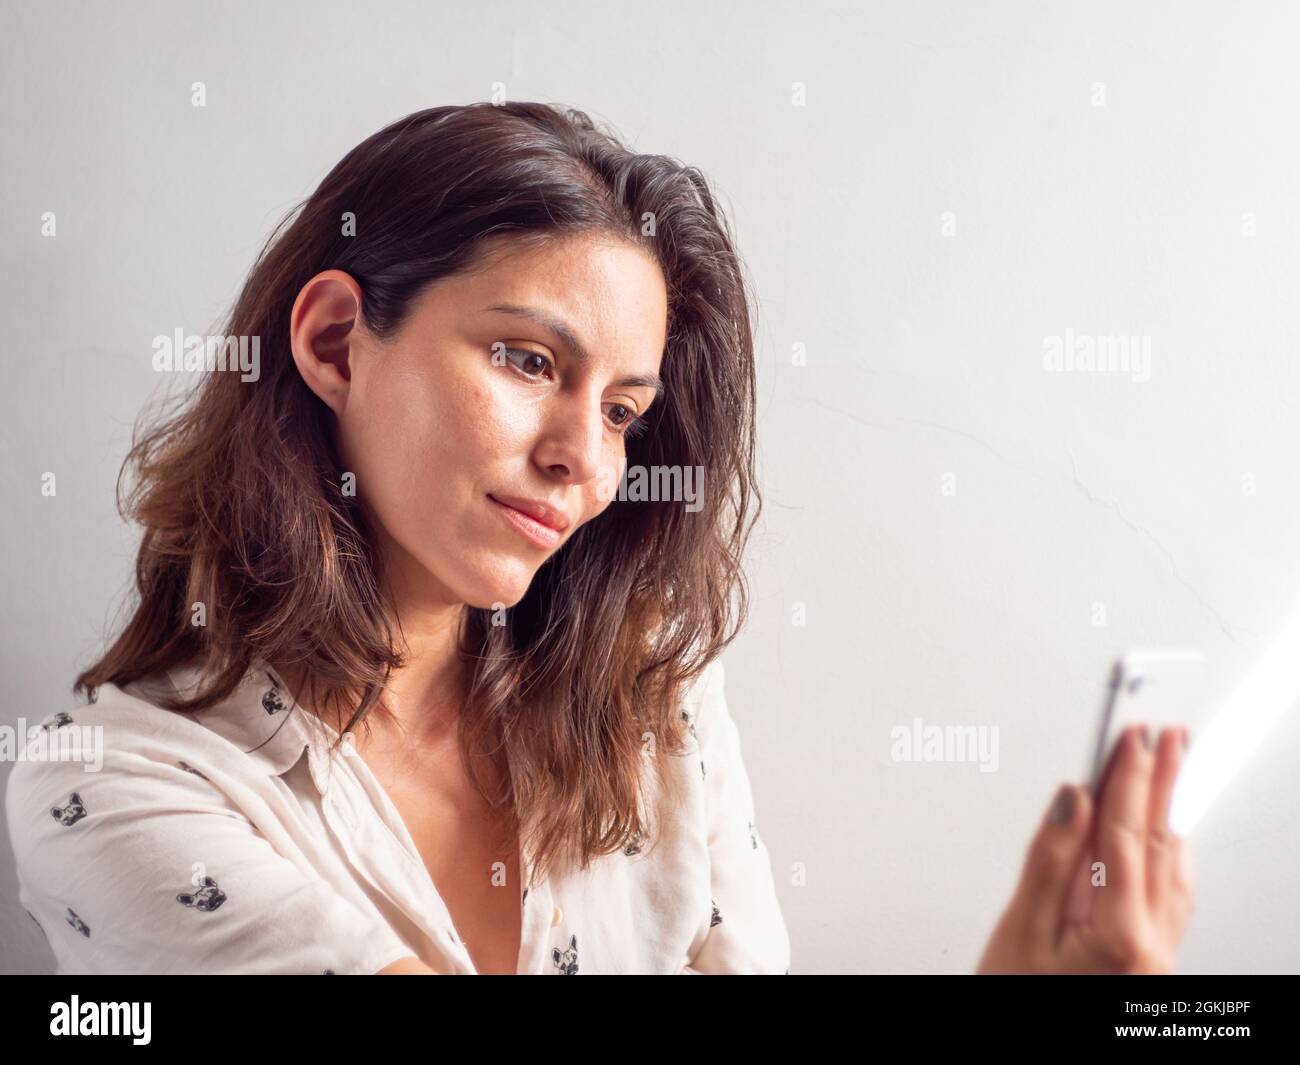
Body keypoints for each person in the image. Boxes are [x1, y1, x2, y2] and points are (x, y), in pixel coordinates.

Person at [5, 102, 1192, 975]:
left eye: (622, 409)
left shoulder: (651, 701)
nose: (585, 456)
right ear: (331, 342)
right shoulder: (108, 789)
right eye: (527, 360)